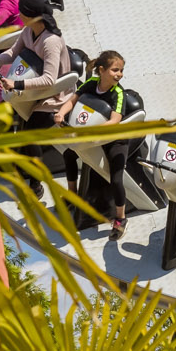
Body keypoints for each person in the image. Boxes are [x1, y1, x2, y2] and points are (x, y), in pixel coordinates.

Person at [0, 0, 76, 172]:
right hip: (32, 90)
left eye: (22, 11)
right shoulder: (28, 31)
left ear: (31, 15)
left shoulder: (51, 41)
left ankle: (36, 183)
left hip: (53, 97)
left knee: (29, 134)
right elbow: (13, 52)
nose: (19, 14)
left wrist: (17, 85)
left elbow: (49, 79)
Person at [72, 50, 144, 242]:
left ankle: (120, 218)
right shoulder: (91, 85)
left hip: (115, 140)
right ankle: (72, 195)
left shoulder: (118, 93)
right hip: (94, 137)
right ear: (101, 70)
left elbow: (114, 121)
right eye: (115, 70)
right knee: (69, 154)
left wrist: (90, 130)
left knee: (116, 179)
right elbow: (74, 99)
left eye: (121, 70)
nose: (119, 74)